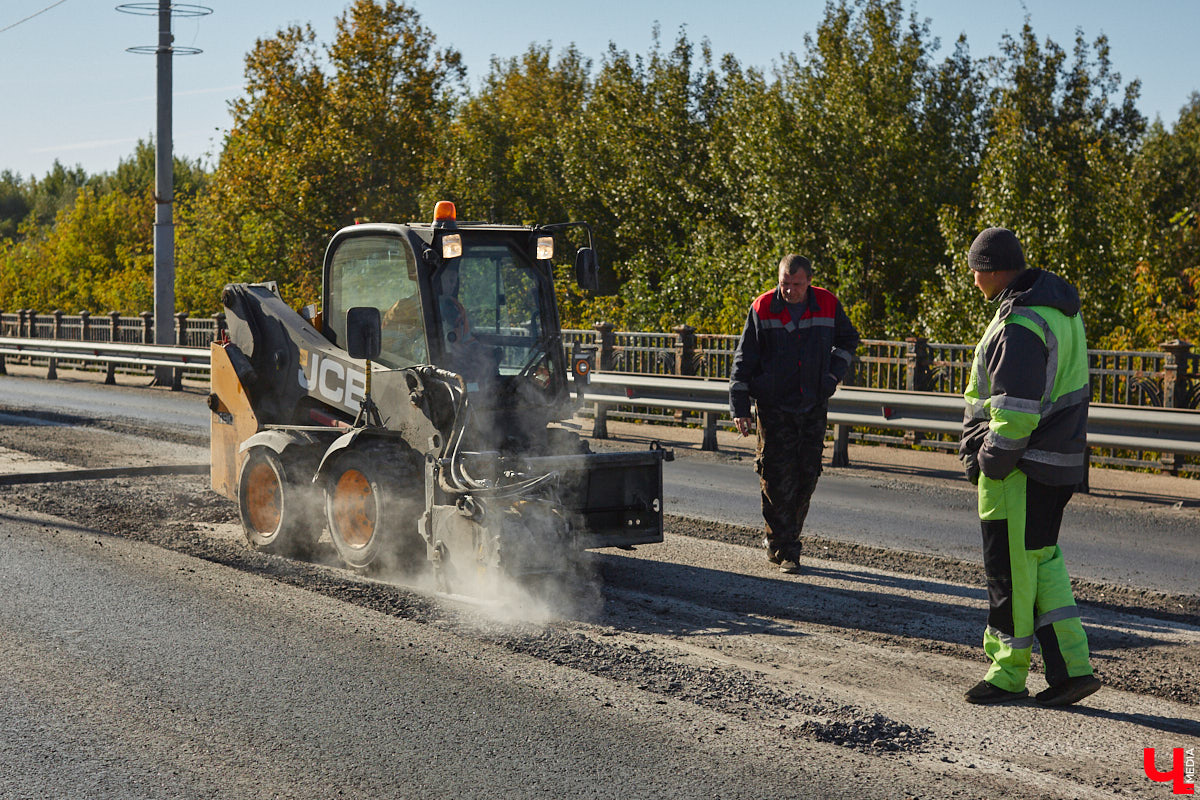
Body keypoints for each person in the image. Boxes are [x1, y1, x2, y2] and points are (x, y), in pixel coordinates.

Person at [958, 227, 1102, 707]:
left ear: (992, 269)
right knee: (1042, 565)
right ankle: (1071, 671)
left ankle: (1006, 674)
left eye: (976, 269)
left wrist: (989, 462)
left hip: (1018, 469)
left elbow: (1014, 412)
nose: (974, 279)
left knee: (1010, 574)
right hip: (1056, 463)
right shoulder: (1059, 311)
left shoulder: (1020, 321)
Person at [729, 254, 860, 574]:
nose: (789, 290)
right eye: (784, 284)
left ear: (809, 282)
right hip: (773, 407)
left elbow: (848, 339)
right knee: (775, 478)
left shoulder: (828, 303)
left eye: (796, 285)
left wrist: (832, 377)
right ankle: (784, 546)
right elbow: (743, 360)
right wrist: (740, 407)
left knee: (807, 475)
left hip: (813, 403)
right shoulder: (762, 307)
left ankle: (786, 540)